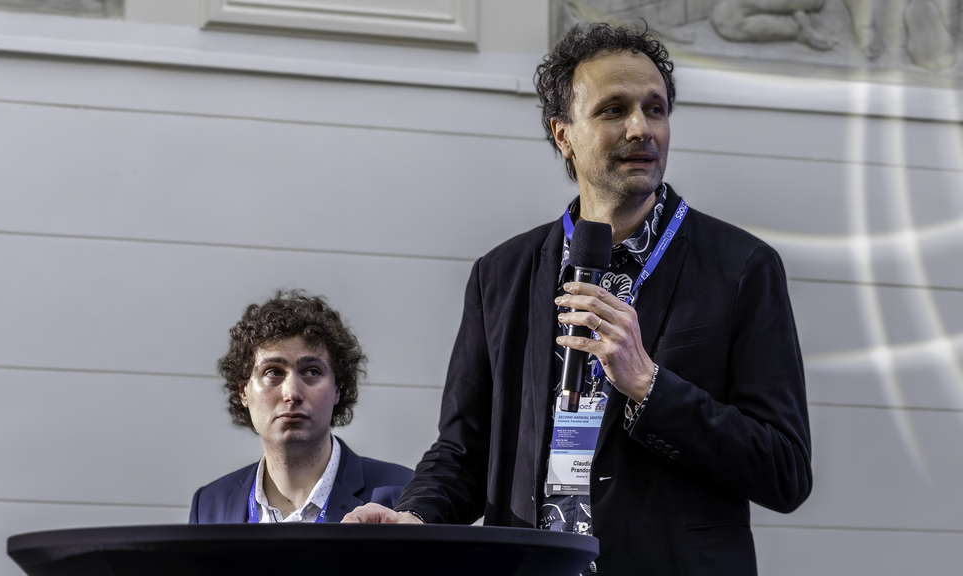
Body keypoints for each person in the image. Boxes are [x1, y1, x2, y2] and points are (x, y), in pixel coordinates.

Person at [344, 23, 812, 575]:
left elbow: (785, 471)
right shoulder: (501, 275)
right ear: (563, 133)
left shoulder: (741, 267)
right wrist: (414, 516)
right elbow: (464, 451)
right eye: (614, 110)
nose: (641, 128)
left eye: (655, 109)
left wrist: (650, 386)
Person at [189, 291, 413, 524]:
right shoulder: (208, 505)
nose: (292, 393)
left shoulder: (404, 496)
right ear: (243, 391)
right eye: (273, 372)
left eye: (312, 372)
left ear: (338, 388)